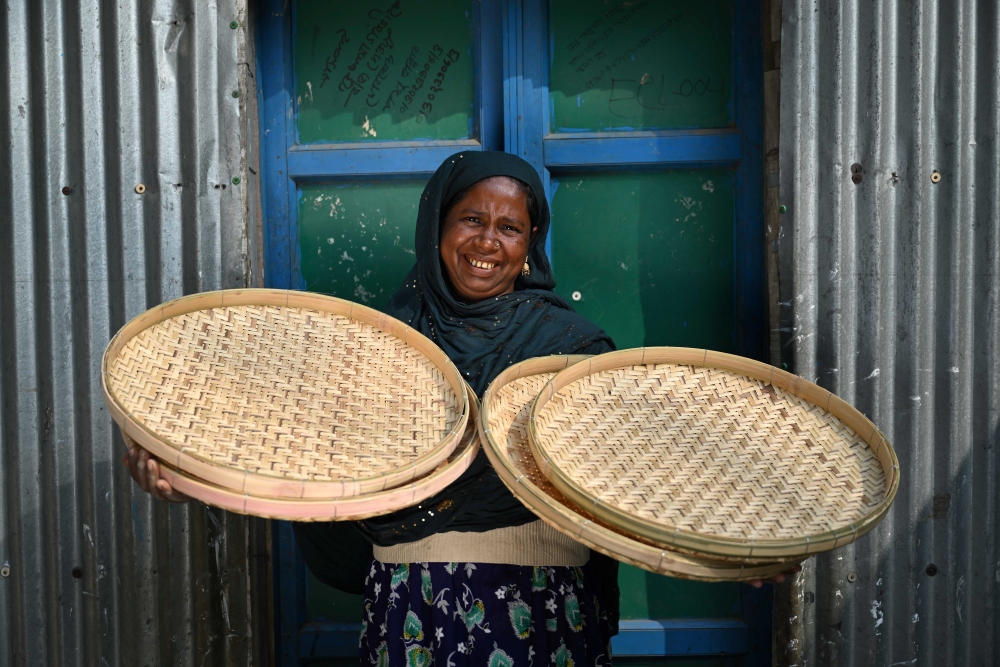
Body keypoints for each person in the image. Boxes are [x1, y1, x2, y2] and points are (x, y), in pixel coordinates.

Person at [126, 151, 792, 665]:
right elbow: (290, 452)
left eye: (510, 227)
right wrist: (189, 476)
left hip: (540, 614)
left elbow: (637, 478)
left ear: (530, 243)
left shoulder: (570, 353)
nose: (488, 242)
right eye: (472, 219)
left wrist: (736, 548)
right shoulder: (379, 349)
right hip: (412, 613)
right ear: (439, 225)